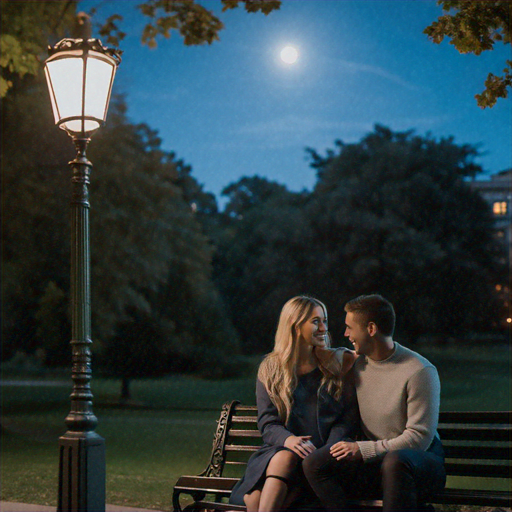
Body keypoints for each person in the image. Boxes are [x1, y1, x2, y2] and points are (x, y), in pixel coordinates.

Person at [303, 294, 446, 512]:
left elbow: (419, 438)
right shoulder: (358, 365)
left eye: (350, 327)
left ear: (371, 329)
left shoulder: (420, 371)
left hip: (420, 462)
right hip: (378, 461)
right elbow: (316, 356)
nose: (346, 334)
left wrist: (364, 449)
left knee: (395, 462)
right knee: (314, 464)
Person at [229, 295, 359, 512]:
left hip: (319, 460)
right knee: (263, 487)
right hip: (278, 453)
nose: (323, 328)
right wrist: (288, 440)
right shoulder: (271, 369)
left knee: (258, 501)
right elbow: (268, 424)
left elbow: (347, 420)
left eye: (324, 320)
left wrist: (326, 453)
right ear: (295, 325)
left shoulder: (336, 365)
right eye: (315, 321)